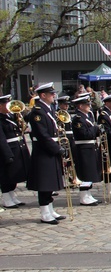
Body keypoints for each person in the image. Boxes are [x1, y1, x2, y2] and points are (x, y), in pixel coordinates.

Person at [26, 83, 66, 224]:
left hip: (50, 149)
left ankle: (50, 209)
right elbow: (42, 135)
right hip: (44, 151)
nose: (54, 95)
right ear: (43, 95)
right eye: (51, 94)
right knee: (44, 183)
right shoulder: (38, 112)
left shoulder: (48, 109)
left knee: (50, 182)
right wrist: (56, 149)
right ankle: (44, 212)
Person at [71, 95, 102, 206]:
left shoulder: (87, 117)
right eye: (87, 104)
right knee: (84, 172)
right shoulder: (78, 119)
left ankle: (88, 193)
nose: (89, 106)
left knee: (90, 172)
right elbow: (85, 134)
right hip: (83, 149)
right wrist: (95, 128)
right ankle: (83, 196)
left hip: (90, 148)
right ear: (80, 106)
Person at [0, 93, 30, 209]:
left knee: (15, 175)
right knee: (6, 176)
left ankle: (12, 196)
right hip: (7, 150)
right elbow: (1, 139)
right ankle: (7, 198)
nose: (8, 107)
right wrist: (7, 154)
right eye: (6, 104)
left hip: (18, 148)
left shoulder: (11, 116)